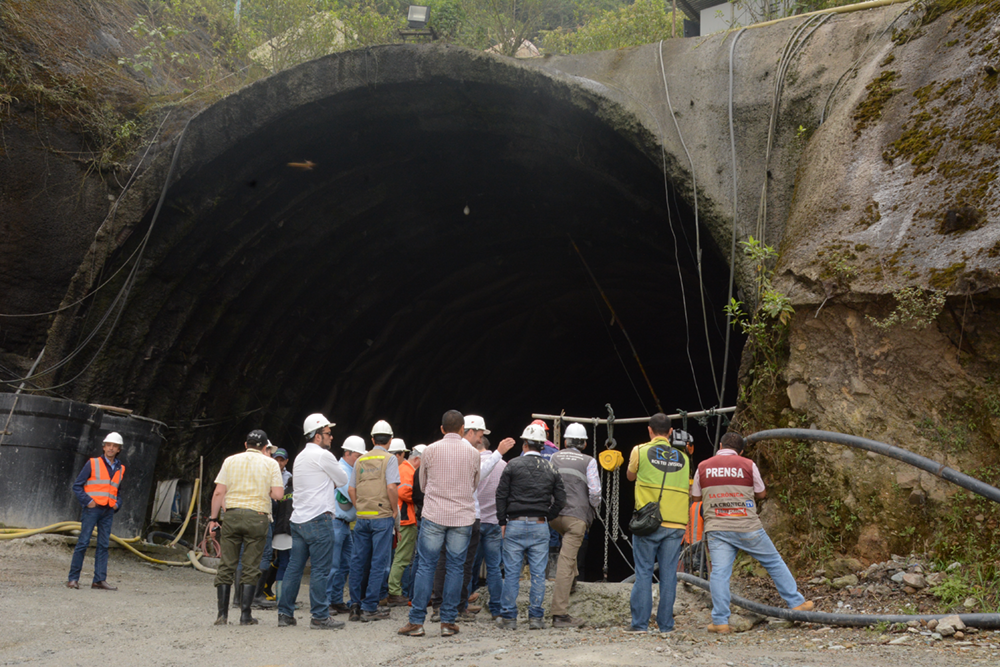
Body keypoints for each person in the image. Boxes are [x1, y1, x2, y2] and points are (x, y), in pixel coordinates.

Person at [691, 432, 814, 633]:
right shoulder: (747, 464)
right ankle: (796, 603)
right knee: (773, 562)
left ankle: (720, 621)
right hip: (747, 525)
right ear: (740, 451)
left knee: (720, 574)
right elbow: (761, 493)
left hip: (718, 528)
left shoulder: (703, 466)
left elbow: (695, 497)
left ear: (720, 445)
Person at [397, 410, 481, 638]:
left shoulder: (430, 450)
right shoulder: (474, 454)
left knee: (426, 566)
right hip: (462, 518)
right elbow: (474, 485)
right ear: (463, 429)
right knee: (456, 567)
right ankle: (448, 622)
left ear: (442, 429)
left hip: (434, 515)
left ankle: (416, 622)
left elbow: (422, 485)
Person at [429, 415, 514, 621]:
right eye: (480, 433)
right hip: (472, 517)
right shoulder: (472, 454)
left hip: (447, 515)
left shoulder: (438, 450)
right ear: (469, 431)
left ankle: (442, 607)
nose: (481, 437)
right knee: (467, 565)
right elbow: (486, 479)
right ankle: (465, 608)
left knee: (446, 562)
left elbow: (425, 482)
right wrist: (498, 454)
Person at [277, 414, 349, 630]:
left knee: (294, 568)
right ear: (317, 436)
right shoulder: (323, 456)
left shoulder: (299, 457)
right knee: (320, 570)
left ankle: (285, 613)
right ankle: (319, 616)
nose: (331, 436)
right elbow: (343, 480)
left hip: (298, 520)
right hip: (319, 518)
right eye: (328, 433)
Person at [208, 429, 284, 626]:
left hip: (232, 515)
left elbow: (218, 492)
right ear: (266, 447)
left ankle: (222, 615)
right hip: (257, 517)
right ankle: (245, 615)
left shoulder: (230, 461)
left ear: (245, 444)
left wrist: (213, 518)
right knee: (251, 565)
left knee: (227, 564)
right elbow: (278, 494)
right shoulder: (271, 464)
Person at [494, 423, 566, 630]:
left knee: (512, 573)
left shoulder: (513, 465)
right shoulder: (551, 468)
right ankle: (535, 618)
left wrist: (502, 521)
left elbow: (501, 495)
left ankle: (508, 617)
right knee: (537, 574)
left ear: (524, 444)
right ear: (543, 446)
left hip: (514, 524)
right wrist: (547, 516)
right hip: (540, 525)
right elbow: (561, 498)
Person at [624, 413, 689, 634]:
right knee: (669, 575)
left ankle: (640, 625)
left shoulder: (640, 450)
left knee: (643, 572)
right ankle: (666, 626)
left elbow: (630, 476)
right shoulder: (684, 457)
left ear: (649, 431)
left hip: (649, 522)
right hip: (676, 523)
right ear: (670, 432)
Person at [548, 422, 601, 628]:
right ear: (585, 443)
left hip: (554, 517)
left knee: (567, 554)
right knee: (566, 561)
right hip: (576, 517)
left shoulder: (554, 457)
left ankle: (571, 582)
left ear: (565, 441)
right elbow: (595, 492)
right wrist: (592, 507)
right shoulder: (589, 461)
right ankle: (559, 614)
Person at [347, 420, 400, 622]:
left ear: (372, 439)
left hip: (362, 517)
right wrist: (394, 510)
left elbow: (351, 489)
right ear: (390, 440)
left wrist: (359, 506)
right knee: (379, 562)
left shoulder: (360, 460)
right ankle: (370, 606)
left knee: (358, 561)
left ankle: (355, 605)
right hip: (382, 517)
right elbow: (392, 488)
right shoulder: (390, 459)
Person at [67, 432, 126, 591]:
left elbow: (117, 490)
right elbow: (77, 486)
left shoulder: (120, 468)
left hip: (108, 511)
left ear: (118, 449)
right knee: (83, 542)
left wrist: (117, 504)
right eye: (109, 445)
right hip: (93, 509)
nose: (111, 448)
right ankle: (73, 579)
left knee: (103, 545)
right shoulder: (92, 463)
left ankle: (99, 580)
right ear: (104, 447)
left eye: (114, 446)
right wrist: (88, 502)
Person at [328, 435, 366, 614]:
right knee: (333, 564)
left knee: (345, 564)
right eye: (358, 455)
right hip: (336, 521)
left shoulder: (350, 469)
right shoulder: (341, 470)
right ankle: (327, 601)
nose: (359, 459)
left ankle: (335, 599)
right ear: (348, 453)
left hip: (344, 523)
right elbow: (352, 492)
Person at [470, 434, 506, 620]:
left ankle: (464, 604)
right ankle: (497, 609)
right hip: (493, 522)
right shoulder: (503, 465)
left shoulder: (470, 462)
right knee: (493, 567)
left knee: (468, 565)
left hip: (473, 520)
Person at [387, 438, 418, 606]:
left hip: (399, 517)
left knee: (398, 557)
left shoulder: (398, 468)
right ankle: (395, 591)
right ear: (402, 453)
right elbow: (405, 492)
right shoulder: (406, 469)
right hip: (406, 518)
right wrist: (420, 499)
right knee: (402, 557)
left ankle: (394, 590)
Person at [265, 448, 293, 603]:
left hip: (280, 526)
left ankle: (279, 596)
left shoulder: (289, 479)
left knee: (282, 562)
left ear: (286, 461)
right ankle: (284, 599)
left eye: (282, 460)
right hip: (284, 526)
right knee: (287, 563)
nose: (279, 462)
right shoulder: (267, 473)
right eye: (276, 459)